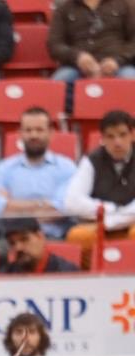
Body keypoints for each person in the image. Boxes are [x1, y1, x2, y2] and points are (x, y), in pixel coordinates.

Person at [0, 107, 77, 240]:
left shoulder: (67, 167)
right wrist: (43, 204)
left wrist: (12, 204)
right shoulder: (5, 168)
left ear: (51, 133)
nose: (33, 135)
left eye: (39, 130)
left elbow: (65, 207)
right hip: (12, 239)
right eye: (28, 130)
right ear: (20, 134)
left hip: (54, 238)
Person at [63, 109, 135, 262]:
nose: (117, 142)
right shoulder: (91, 160)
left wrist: (118, 218)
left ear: (132, 135)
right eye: (111, 136)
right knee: (77, 236)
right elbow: (72, 201)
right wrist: (110, 210)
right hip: (100, 223)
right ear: (102, 138)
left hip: (131, 222)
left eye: (122, 135)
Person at [47, 0, 135, 104]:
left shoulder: (125, 4)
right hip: (75, 66)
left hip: (120, 65)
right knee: (53, 90)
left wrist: (117, 61)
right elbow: (54, 44)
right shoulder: (64, 7)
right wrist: (77, 57)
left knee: (131, 80)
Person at [0, 217, 82, 272]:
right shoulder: (8, 274)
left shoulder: (68, 274)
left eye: (24, 239)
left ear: (40, 237)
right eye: (12, 243)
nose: (18, 248)